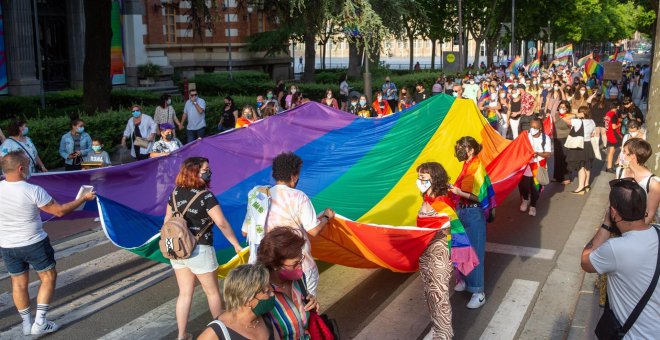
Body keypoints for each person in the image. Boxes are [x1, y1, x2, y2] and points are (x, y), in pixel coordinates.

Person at [0, 151, 96, 335]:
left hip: (7, 245)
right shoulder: (32, 190)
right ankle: (40, 322)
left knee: (18, 283)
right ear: (20, 169)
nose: (29, 169)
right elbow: (59, 211)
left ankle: (27, 325)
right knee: (48, 277)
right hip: (34, 242)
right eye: (27, 165)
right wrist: (83, 199)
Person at [166, 157, 243, 340]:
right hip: (200, 250)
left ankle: (181, 335)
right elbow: (222, 223)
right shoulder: (206, 196)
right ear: (195, 172)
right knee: (213, 293)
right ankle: (222, 334)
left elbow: (166, 223)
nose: (210, 172)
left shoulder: (175, 193)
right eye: (206, 169)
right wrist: (235, 244)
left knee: (184, 294)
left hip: (178, 250)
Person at [243, 152, 335, 296]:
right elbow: (313, 230)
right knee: (306, 304)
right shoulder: (299, 197)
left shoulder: (259, 197)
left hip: (272, 265)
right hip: (299, 264)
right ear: (294, 176)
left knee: (282, 307)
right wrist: (327, 218)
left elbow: (246, 232)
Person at [580, 179, 660, 339]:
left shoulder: (615, 248)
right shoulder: (658, 231)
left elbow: (586, 262)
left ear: (614, 212)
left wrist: (606, 225)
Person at [257, 228, 319, 340]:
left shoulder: (299, 280)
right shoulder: (261, 294)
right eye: (295, 264)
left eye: (301, 260)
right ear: (275, 265)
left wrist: (312, 303)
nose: (300, 266)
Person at [416, 162, 454, 339]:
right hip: (425, 257)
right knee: (430, 296)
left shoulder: (442, 203)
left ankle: (444, 335)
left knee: (440, 298)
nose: (419, 181)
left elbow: (451, 230)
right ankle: (437, 327)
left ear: (434, 179)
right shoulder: (426, 200)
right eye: (419, 177)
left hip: (439, 257)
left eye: (423, 178)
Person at [449, 137, 488, 309]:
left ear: (470, 149)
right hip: (462, 210)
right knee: (461, 247)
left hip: (473, 212)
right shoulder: (466, 165)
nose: (458, 150)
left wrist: (460, 193)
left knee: (475, 251)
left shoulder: (477, 167)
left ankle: (478, 292)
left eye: (460, 147)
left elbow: (480, 196)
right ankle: (465, 280)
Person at [198, 264, 276, 340]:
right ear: (247, 300)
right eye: (267, 291)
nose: (272, 294)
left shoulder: (266, 316)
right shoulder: (216, 333)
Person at [617, 138, 660, 224]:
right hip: (619, 224)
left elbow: (650, 214)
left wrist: (633, 231)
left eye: (624, 152)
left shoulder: (653, 183)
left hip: (639, 229)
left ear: (633, 156)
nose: (621, 154)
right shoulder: (620, 171)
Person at [519, 118, 552, 216]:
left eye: (535, 127)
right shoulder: (526, 136)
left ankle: (533, 206)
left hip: (538, 166)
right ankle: (525, 200)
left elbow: (548, 154)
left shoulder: (545, 138)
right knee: (523, 185)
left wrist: (538, 154)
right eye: (531, 126)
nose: (532, 129)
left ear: (540, 128)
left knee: (535, 188)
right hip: (526, 166)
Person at [562, 106, 596, 194]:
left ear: (581, 113)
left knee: (581, 167)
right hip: (588, 144)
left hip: (580, 145)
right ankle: (586, 185)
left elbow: (564, 118)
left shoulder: (578, 121)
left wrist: (576, 115)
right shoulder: (592, 121)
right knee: (587, 166)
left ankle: (580, 188)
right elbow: (592, 133)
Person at [604, 102, 623, 173]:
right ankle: (618, 163)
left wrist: (618, 120)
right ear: (616, 107)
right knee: (624, 149)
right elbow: (614, 126)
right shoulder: (613, 115)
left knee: (611, 151)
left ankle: (609, 167)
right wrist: (619, 124)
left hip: (609, 134)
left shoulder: (608, 114)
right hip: (614, 135)